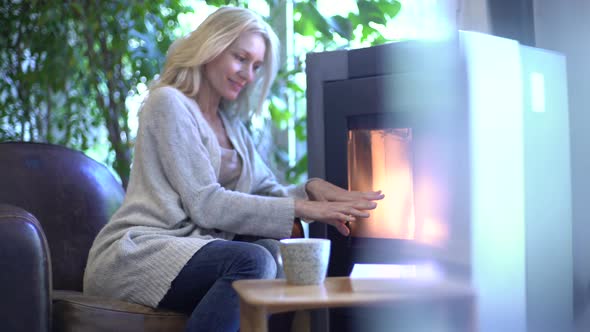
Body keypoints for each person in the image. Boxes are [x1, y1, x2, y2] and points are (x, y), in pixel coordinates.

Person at [83, 6, 384, 332]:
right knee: (252, 261)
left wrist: (309, 190)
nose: (249, 75)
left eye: (256, 66)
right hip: (141, 253)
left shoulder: (233, 127)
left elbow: (266, 193)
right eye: (241, 58)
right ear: (210, 48)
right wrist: (304, 207)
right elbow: (206, 203)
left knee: (271, 254)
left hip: (195, 254)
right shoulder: (168, 103)